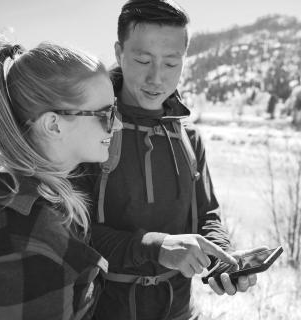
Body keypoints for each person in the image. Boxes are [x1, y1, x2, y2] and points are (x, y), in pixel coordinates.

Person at [86, 1, 264, 319]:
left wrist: (221, 257)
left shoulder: (187, 136)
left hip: (178, 310)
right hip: (102, 309)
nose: (156, 78)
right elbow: (71, 231)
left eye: (171, 64)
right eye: (143, 60)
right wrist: (156, 248)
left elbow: (207, 216)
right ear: (118, 52)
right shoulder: (88, 129)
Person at [0, 41, 122, 319]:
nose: (117, 124)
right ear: (53, 125)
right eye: (106, 114)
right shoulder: (31, 238)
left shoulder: (0, 184)